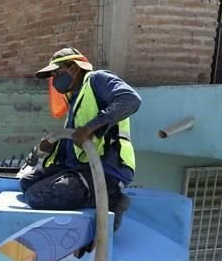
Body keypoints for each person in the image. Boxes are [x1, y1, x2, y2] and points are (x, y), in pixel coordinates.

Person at [20, 47, 141, 231]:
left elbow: (130, 100)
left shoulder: (98, 80)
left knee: (37, 196)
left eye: (57, 73)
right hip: (78, 167)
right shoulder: (75, 98)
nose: (55, 79)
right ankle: (82, 190)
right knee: (27, 182)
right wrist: (51, 146)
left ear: (75, 68)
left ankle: (113, 198)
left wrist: (90, 128)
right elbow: (73, 138)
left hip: (105, 167)